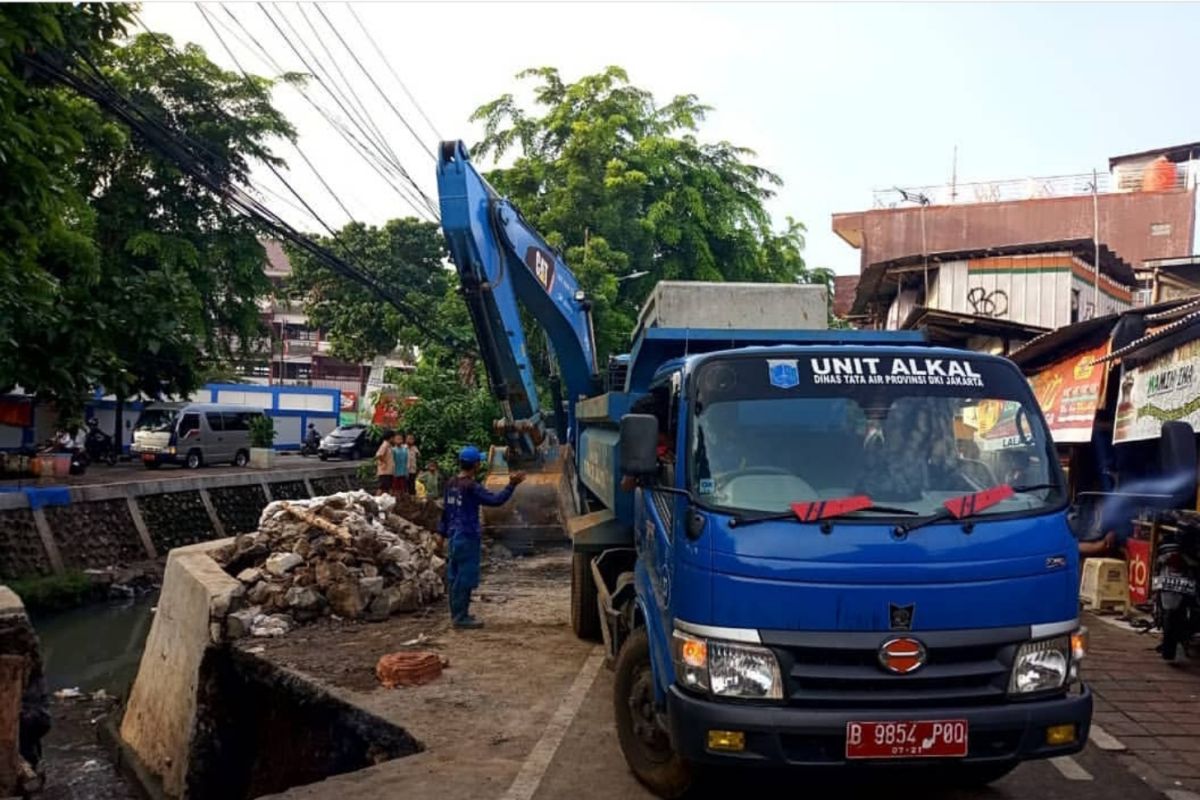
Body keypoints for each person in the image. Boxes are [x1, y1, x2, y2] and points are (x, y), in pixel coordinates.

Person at [438, 446, 525, 629]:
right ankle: (461, 618)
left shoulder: (451, 483)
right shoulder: (471, 487)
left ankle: (457, 614)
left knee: (454, 577)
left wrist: (441, 535)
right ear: (476, 464)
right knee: (465, 578)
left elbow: (446, 512)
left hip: (454, 536)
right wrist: (512, 484)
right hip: (467, 536)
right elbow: (496, 500)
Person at [374, 430, 396, 495]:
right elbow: (379, 455)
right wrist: (384, 463)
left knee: (389, 487)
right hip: (385, 471)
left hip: (389, 471)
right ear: (391, 438)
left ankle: (389, 500)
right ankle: (376, 500)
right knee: (382, 487)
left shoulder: (389, 446)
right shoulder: (385, 445)